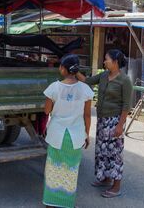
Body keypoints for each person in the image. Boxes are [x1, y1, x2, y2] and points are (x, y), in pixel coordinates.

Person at [77, 49, 133, 198]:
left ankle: (116, 186)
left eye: (106, 59)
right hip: (102, 120)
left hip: (115, 121)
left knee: (115, 154)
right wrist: (75, 71)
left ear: (115, 61)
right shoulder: (103, 76)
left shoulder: (125, 80)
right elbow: (87, 82)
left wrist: (120, 126)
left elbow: (126, 106)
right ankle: (105, 178)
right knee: (102, 151)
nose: (104, 61)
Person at [42, 54, 93, 208]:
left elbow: (46, 111)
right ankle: (66, 203)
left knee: (53, 168)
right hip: (75, 136)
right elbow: (87, 115)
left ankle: (50, 201)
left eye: (60, 65)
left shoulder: (54, 87)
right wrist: (87, 134)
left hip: (56, 135)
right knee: (71, 170)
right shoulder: (85, 89)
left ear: (63, 69)